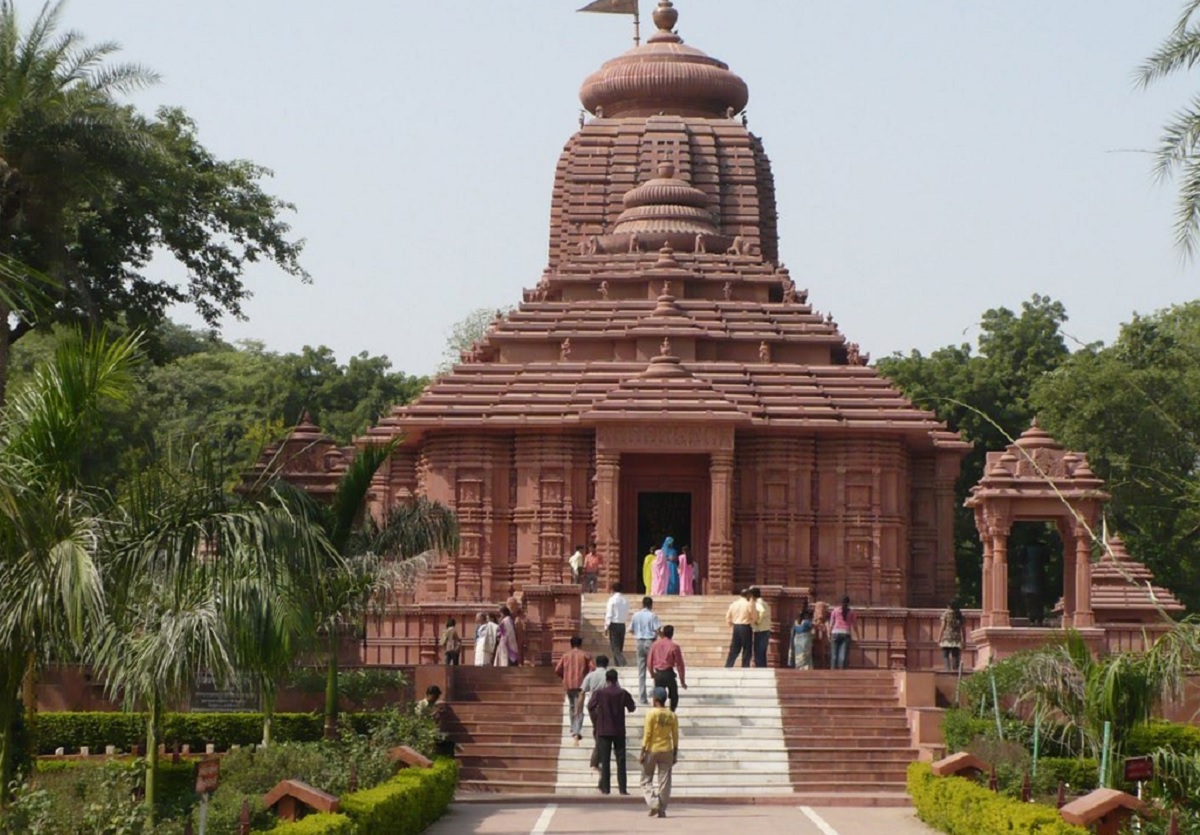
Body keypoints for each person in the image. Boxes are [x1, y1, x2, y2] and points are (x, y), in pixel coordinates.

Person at [587, 668, 636, 795]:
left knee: (605, 760)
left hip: (604, 730)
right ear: (616, 679)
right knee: (621, 760)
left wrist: (597, 718)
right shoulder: (623, 693)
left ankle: (605, 788)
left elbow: (590, 706)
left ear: (607, 680)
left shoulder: (599, 693)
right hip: (619, 730)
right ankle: (622, 789)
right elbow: (632, 707)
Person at [639, 686, 679, 818]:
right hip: (667, 749)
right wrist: (675, 752)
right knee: (664, 782)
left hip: (652, 749)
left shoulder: (651, 714)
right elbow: (675, 735)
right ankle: (662, 809)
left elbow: (647, 734)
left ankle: (654, 802)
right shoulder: (672, 715)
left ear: (655, 699)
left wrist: (642, 751)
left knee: (645, 779)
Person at [555, 636, 595, 744]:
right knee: (579, 708)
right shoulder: (586, 655)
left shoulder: (565, 655)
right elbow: (592, 668)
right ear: (580, 644)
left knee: (572, 706)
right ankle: (577, 731)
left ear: (571, 644)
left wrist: (564, 677)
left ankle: (573, 728)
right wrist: (587, 678)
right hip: (581, 685)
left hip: (568, 685)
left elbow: (557, 669)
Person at [646, 624, 687, 713]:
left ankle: (657, 713)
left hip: (658, 673)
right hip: (669, 673)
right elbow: (680, 665)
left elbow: (649, 661)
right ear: (672, 634)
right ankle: (672, 712)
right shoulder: (674, 646)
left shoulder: (655, 645)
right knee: (674, 695)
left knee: (657, 696)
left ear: (663, 633)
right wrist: (682, 681)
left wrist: (652, 673)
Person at [580, 654, 610, 772]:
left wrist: (579, 709)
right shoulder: (608, 675)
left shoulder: (590, 675)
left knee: (597, 729)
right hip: (603, 706)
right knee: (600, 733)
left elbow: (582, 692)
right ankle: (595, 760)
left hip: (592, 706)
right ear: (607, 664)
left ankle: (599, 754)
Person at [630, 596, 661, 704]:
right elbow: (657, 629)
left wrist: (638, 633)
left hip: (639, 642)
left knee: (641, 671)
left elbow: (631, 630)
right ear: (651, 605)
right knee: (656, 668)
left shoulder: (636, 615)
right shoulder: (652, 615)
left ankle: (642, 697)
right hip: (650, 641)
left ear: (642, 604)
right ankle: (655, 693)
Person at [724, 589, 755, 668]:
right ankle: (745, 666)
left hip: (736, 626)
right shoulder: (748, 604)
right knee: (747, 648)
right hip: (745, 626)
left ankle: (728, 665)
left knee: (734, 648)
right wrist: (753, 621)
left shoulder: (734, 604)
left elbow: (728, 617)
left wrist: (731, 624)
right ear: (748, 595)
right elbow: (754, 616)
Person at [829, 595, 858, 670]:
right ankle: (842, 672)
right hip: (846, 633)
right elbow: (854, 625)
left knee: (834, 655)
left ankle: (833, 672)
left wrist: (829, 633)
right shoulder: (851, 612)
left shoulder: (835, 610)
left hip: (835, 632)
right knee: (843, 655)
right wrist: (858, 635)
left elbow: (831, 623)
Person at [604, 582, 630, 667]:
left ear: (613, 590)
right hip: (622, 624)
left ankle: (622, 663)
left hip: (614, 624)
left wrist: (606, 626)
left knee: (615, 646)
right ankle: (617, 664)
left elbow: (609, 614)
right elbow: (626, 612)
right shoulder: (625, 600)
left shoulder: (612, 600)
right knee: (620, 646)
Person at [939, 600, 965, 672]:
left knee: (945, 654)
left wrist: (939, 638)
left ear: (949, 606)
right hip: (956, 638)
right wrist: (964, 640)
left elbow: (942, 626)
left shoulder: (945, 614)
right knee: (955, 655)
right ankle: (955, 670)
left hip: (947, 637)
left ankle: (947, 669)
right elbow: (963, 629)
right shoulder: (959, 615)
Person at [750, 586, 771, 667]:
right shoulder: (764, 603)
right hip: (765, 630)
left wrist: (757, 621)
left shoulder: (758, 603)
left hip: (760, 630)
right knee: (762, 652)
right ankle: (763, 667)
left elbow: (761, 612)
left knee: (758, 652)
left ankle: (760, 668)